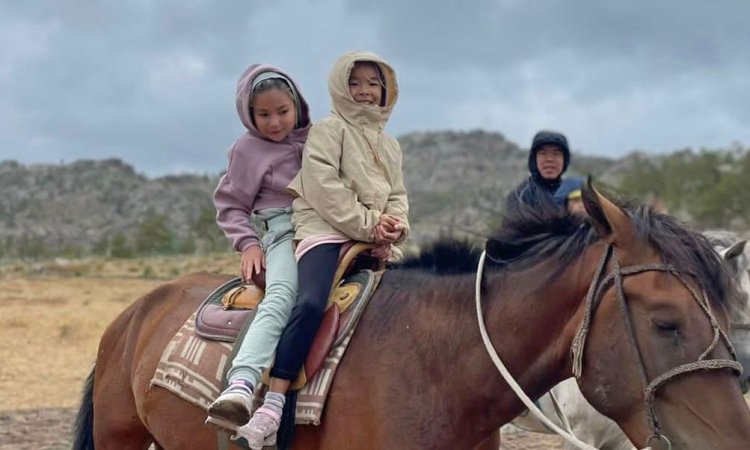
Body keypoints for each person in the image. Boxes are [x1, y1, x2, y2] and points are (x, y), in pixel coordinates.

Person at [241, 50, 409, 448]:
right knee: (310, 303)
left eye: (373, 83)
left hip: (372, 239)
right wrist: (370, 225)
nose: (365, 91)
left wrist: (395, 227)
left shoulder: (391, 146)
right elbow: (323, 186)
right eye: (355, 83)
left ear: (386, 89)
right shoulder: (328, 130)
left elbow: (398, 195)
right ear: (339, 86)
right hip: (325, 233)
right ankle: (274, 402)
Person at [206, 64, 311, 433]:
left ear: (297, 105)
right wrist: (248, 243)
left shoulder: (317, 138)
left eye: (282, 111)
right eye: (263, 115)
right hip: (281, 230)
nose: (275, 122)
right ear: (249, 115)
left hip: (327, 225)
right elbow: (231, 203)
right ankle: (242, 382)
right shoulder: (247, 151)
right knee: (282, 294)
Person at [505, 130, 571, 214]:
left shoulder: (575, 193)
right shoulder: (521, 195)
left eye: (556, 153)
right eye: (543, 153)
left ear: (565, 160)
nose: (549, 159)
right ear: (534, 159)